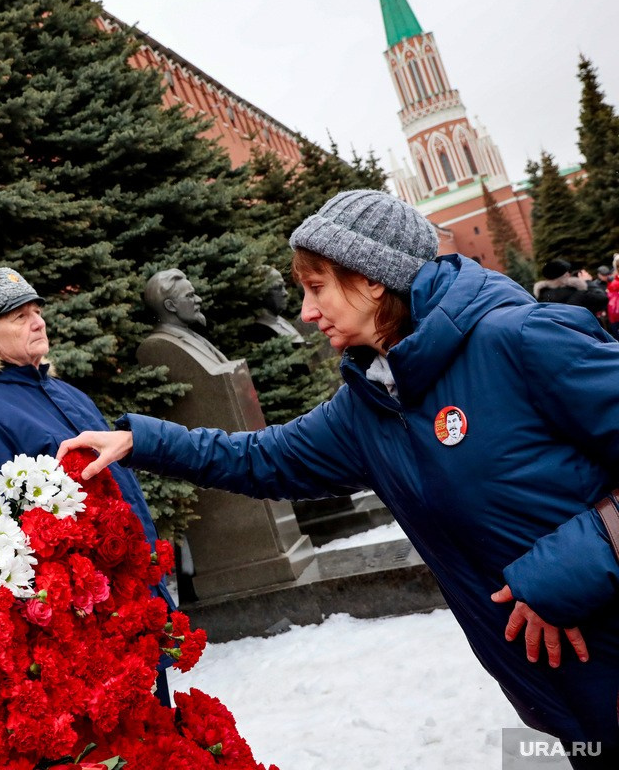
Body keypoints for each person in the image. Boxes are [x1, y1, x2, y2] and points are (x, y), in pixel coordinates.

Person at [59, 189, 619, 767]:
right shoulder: (372, 403)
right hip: (565, 696)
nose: (305, 311)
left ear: (373, 279)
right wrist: (143, 440)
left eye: (317, 287)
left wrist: (570, 567)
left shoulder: (520, 339)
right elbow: (262, 458)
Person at [0, 267, 174, 702]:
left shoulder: (60, 390)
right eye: (19, 316)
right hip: (86, 619)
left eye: (36, 310)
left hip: (131, 593)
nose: (37, 321)